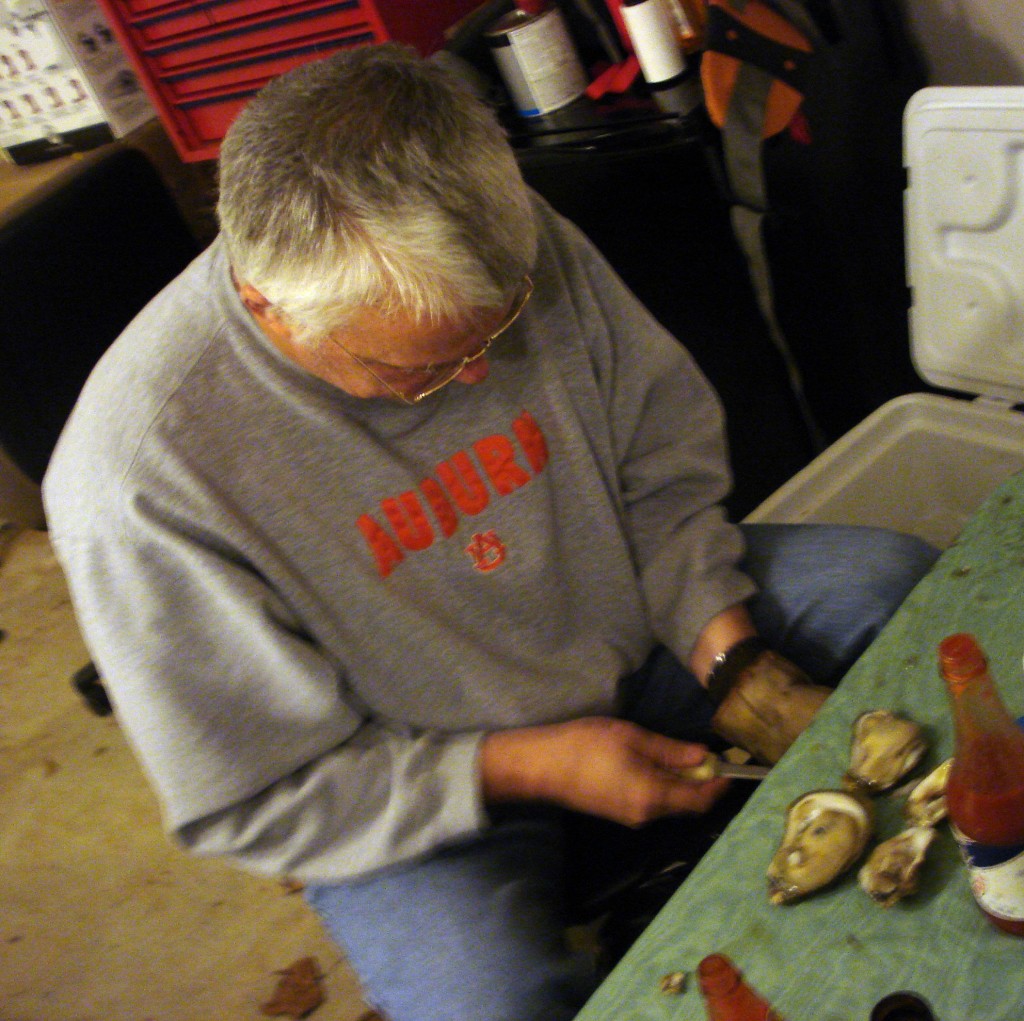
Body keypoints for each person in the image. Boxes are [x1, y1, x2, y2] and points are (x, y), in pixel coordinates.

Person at [43, 44, 939, 1021]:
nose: (476, 379)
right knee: (486, 1004)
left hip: (635, 633)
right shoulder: (139, 478)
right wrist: (534, 762)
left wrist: (725, 656)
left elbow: (655, 459)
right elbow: (251, 795)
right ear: (270, 308)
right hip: (412, 780)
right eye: (419, 371)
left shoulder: (490, 235)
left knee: (891, 583)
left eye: (498, 331)